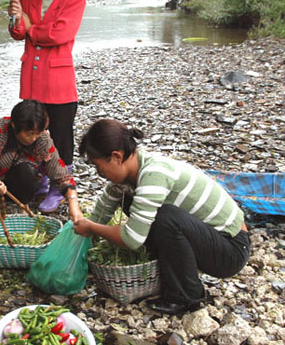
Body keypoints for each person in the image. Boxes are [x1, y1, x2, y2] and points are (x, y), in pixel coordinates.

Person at [72, 119, 251, 315]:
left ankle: (187, 296)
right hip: (208, 238)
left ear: (116, 156)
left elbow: (131, 239)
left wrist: (91, 228)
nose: (99, 173)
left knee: (166, 218)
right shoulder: (126, 175)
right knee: (133, 203)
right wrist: (77, 243)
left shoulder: (154, 173)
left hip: (231, 250)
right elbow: (101, 214)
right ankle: (169, 266)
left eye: (98, 166)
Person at [8, 0, 86, 213]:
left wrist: (31, 26)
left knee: (62, 136)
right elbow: (18, 34)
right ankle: (40, 178)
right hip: (32, 79)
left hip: (60, 83)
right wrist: (16, 19)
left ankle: (60, 187)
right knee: (33, 131)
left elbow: (59, 35)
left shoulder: (76, 0)